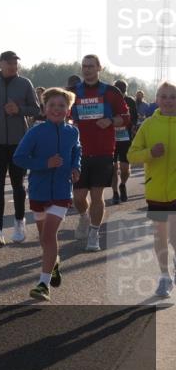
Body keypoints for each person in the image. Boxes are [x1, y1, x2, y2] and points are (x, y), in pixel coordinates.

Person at [12, 88, 81, 301]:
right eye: (52, 105)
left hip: (61, 191)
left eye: (61, 106)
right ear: (44, 108)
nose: (56, 109)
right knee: (44, 238)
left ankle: (43, 284)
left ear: (68, 110)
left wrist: (76, 167)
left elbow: (76, 150)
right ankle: (53, 263)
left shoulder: (72, 132)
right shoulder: (36, 132)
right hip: (38, 191)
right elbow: (19, 158)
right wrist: (45, 163)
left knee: (49, 235)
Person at [0, 51, 40, 245]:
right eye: (9, 63)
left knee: (18, 184)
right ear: (0, 64)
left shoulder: (25, 83)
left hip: (19, 141)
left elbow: (36, 109)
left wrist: (19, 110)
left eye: (15, 63)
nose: (13, 66)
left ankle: (19, 222)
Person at [68, 55, 130, 251]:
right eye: (84, 66)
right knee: (78, 197)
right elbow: (60, 114)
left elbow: (126, 117)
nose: (87, 69)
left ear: (99, 68)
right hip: (78, 152)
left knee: (97, 195)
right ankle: (84, 217)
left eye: (90, 66)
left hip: (103, 151)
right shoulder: (72, 93)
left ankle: (94, 233)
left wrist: (110, 121)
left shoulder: (111, 92)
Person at [127, 81, 176, 297]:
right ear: (156, 100)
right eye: (163, 96)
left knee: (174, 234)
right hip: (155, 190)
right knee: (160, 236)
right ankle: (165, 276)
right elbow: (131, 155)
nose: (168, 101)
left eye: (173, 97)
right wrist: (150, 153)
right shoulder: (148, 125)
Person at [109, 79, 139, 205]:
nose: (121, 93)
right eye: (119, 91)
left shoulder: (130, 101)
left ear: (126, 90)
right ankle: (115, 192)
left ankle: (122, 184)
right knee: (113, 168)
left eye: (123, 91)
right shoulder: (108, 100)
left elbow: (135, 118)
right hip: (111, 139)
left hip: (125, 139)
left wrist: (131, 127)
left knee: (125, 169)